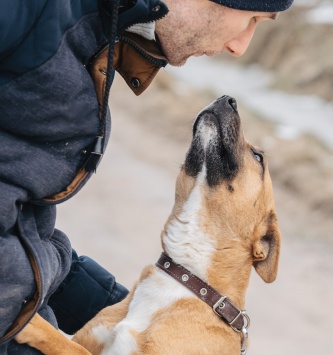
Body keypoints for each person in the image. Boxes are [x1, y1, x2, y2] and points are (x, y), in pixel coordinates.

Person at [0, 0, 294, 353]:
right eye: (252, 19)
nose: (239, 46)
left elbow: (27, 226)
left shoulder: (97, 31)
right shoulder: (37, 14)